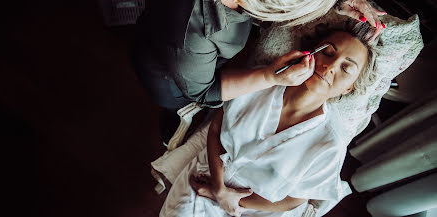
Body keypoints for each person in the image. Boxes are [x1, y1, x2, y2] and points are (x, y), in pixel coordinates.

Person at [133, 0, 385, 143]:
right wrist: (269, 77)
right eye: (329, 52)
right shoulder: (189, 33)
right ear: (248, 3)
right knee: (177, 105)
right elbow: (202, 91)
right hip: (168, 76)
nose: (330, 67)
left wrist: (335, 1)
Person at [159, 21, 379, 217]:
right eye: (328, 53)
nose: (330, 67)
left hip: (257, 208)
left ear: (349, 88)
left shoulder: (331, 143)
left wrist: (234, 200)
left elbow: (295, 198)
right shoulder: (260, 84)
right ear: (310, 52)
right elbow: (216, 128)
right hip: (207, 178)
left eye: (346, 68)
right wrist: (218, 188)